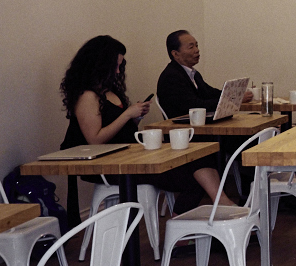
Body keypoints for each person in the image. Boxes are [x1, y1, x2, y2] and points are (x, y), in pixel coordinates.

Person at [61, 35, 229, 207]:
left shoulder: (108, 90)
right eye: (115, 66)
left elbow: (118, 130)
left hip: (127, 154)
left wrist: (135, 118)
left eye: (120, 66)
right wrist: (127, 114)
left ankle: (218, 203)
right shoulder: (87, 96)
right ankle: (193, 214)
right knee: (192, 176)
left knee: (199, 156)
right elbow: (95, 140)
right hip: (109, 164)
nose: (118, 72)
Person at [156, 30, 223, 119]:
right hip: (182, 126)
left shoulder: (193, 73)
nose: (197, 50)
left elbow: (209, 93)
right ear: (175, 54)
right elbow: (194, 106)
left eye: (196, 46)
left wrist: (232, 96)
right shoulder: (171, 76)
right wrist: (225, 102)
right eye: (191, 47)